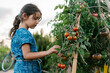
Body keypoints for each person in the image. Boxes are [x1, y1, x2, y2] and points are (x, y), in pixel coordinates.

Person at [9, 3, 60, 73]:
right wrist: (48, 52)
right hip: (28, 70)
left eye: (38, 19)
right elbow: (26, 55)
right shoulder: (25, 33)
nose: (37, 22)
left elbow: (13, 52)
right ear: (24, 16)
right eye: (35, 18)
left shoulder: (17, 33)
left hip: (19, 68)